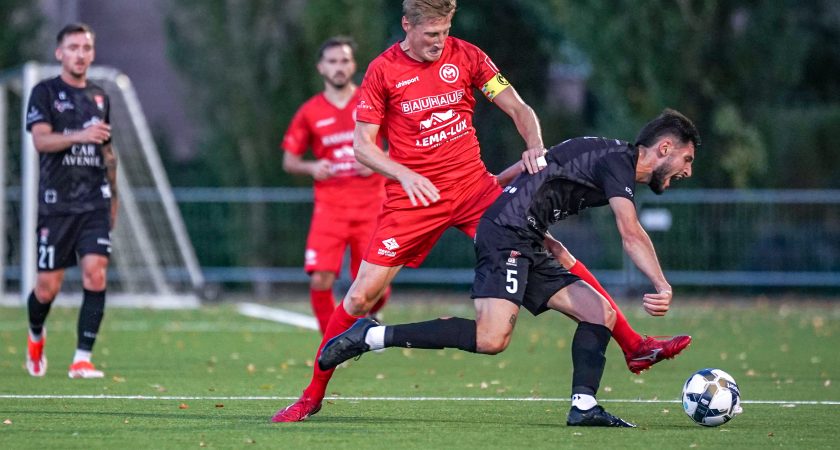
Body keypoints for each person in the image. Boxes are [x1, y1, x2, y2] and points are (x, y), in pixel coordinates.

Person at [319, 109, 700, 427]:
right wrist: (661, 284)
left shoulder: (607, 154)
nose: (688, 170)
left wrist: (496, 185)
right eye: (687, 159)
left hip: (527, 237)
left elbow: (537, 162)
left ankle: (584, 407)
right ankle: (371, 335)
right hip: (507, 235)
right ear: (664, 148)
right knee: (491, 339)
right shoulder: (618, 161)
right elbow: (630, 232)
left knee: (599, 312)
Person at [271, 0, 547, 422]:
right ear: (407, 25)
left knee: (546, 247)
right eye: (432, 34)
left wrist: (535, 146)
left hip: (472, 192)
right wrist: (405, 175)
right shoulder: (382, 71)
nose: (441, 41)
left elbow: (518, 107)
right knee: (359, 295)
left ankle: (630, 340)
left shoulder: (468, 56)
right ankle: (312, 394)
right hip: (411, 202)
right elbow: (362, 147)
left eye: (446, 31)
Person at [23, 23, 117, 379]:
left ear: (92, 54)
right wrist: (81, 135)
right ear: (59, 53)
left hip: (94, 201)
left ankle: (82, 359)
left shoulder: (100, 97)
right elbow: (41, 141)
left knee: (96, 273)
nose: (80, 54)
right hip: (56, 205)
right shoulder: (45, 92)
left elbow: (107, 152)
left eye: (86, 48)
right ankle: (35, 335)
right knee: (47, 288)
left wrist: (114, 196)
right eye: (73, 47)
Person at [281, 36, 390, 334]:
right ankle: (330, 343)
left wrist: (378, 159)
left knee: (375, 286)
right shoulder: (310, 111)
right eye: (332, 61)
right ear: (321, 67)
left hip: (372, 205)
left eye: (344, 61)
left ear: (353, 65)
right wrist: (312, 166)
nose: (338, 67)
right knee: (320, 279)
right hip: (330, 208)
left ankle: (370, 316)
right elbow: (289, 161)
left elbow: (405, 143)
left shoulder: (372, 101)